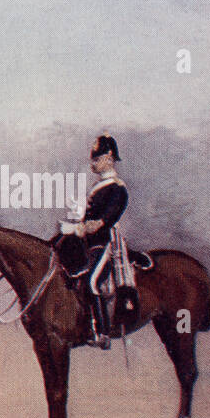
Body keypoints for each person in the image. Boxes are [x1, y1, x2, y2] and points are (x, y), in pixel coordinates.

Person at [58, 134, 128, 349]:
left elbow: (99, 224)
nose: (93, 163)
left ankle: (102, 333)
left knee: (92, 282)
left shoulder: (117, 189)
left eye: (97, 158)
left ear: (109, 157)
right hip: (89, 245)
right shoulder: (99, 186)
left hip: (106, 244)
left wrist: (76, 228)